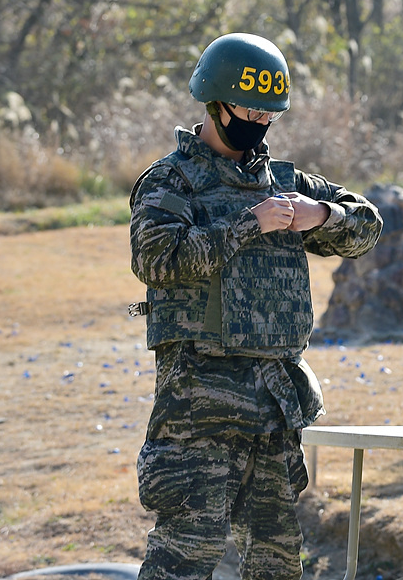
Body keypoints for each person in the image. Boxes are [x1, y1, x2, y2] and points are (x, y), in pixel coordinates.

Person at [128, 32, 383, 580]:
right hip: (198, 412)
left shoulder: (287, 184)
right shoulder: (172, 182)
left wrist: (320, 216)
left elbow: (367, 224)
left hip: (272, 410)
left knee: (275, 562)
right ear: (215, 103)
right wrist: (249, 223)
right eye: (248, 110)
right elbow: (157, 261)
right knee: (184, 557)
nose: (259, 123)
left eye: (269, 114)